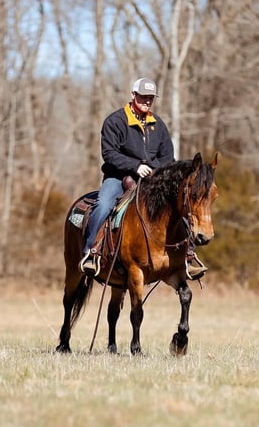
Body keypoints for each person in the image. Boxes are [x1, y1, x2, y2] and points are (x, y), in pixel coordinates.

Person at [79, 77, 208, 280]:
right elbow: (109, 154)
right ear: (133, 95)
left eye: (150, 98)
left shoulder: (158, 124)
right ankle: (91, 252)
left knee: (182, 206)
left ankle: (189, 256)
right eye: (143, 97)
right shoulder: (115, 121)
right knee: (103, 205)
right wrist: (135, 166)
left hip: (152, 181)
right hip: (118, 178)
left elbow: (168, 158)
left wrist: (155, 172)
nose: (147, 101)